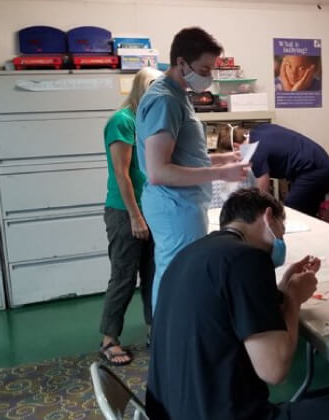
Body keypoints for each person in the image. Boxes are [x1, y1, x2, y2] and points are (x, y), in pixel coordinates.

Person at [146, 188, 329, 420]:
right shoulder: (248, 258)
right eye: (282, 229)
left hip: (170, 410)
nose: (280, 239)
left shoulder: (193, 253)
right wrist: (293, 298)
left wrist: (282, 289)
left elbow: (234, 310)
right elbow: (274, 370)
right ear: (269, 217)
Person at [135, 27, 250, 311]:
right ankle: (170, 331)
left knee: (178, 271)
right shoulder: (164, 100)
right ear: (181, 63)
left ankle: (171, 328)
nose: (208, 76)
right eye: (204, 69)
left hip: (181, 204)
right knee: (178, 273)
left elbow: (184, 158)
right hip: (174, 206)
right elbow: (159, 172)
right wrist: (221, 174)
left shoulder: (178, 95)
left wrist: (223, 159)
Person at [98, 67, 162, 366]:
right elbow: (122, 174)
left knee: (153, 275)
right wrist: (136, 217)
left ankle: (155, 329)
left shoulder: (149, 120)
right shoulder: (122, 121)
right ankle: (109, 340)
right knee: (124, 277)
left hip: (150, 209)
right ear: (141, 89)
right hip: (125, 211)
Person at [217, 123, 329, 216]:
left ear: (236, 147)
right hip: (318, 162)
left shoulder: (255, 151)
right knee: (305, 213)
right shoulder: (260, 130)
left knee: (293, 213)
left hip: (315, 170)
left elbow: (262, 193)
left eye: (232, 158)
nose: (236, 162)